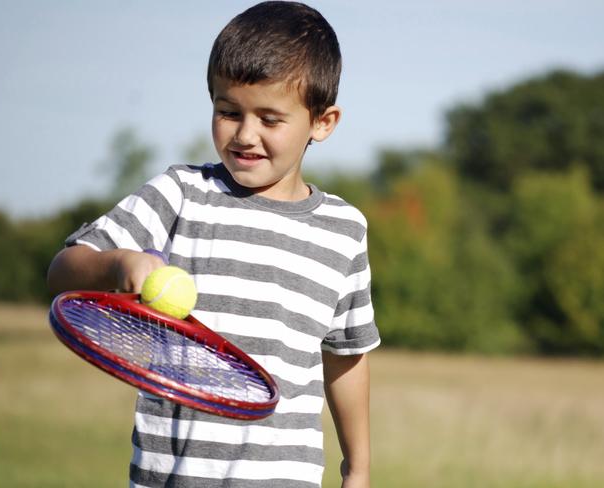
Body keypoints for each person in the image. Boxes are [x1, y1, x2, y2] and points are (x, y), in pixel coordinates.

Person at [47, 2, 380, 487]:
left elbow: (346, 357)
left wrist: (359, 468)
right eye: (228, 111)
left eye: (270, 119)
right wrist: (119, 264)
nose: (245, 135)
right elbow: (62, 270)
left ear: (322, 123)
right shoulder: (180, 194)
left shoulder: (344, 229)